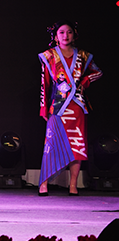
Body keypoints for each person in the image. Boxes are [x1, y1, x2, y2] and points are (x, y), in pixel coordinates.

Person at [38, 20, 102, 196]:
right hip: (58, 106)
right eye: (61, 32)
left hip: (78, 105)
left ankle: (73, 184)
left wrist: (85, 80)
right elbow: (45, 83)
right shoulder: (49, 56)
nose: (65, 36)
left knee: (77, 145)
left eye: (69, 32)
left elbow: (98, 72)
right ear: (55, 37)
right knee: (51, 144)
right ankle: (44, 183)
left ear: (74, 35)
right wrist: (43, 107)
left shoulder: (83, 55)